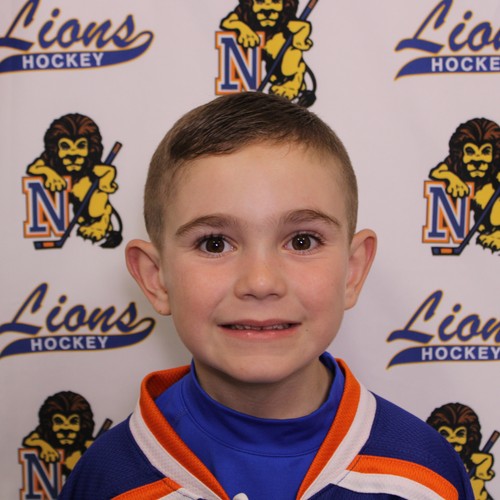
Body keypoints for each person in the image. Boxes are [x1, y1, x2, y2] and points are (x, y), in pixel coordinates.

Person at [60, 92, 473, 499]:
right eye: (215, 244)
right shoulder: (106, 480)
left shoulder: (424, 476)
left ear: (352, 271)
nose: (260, 282)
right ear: (157, 279)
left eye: (302, 241)